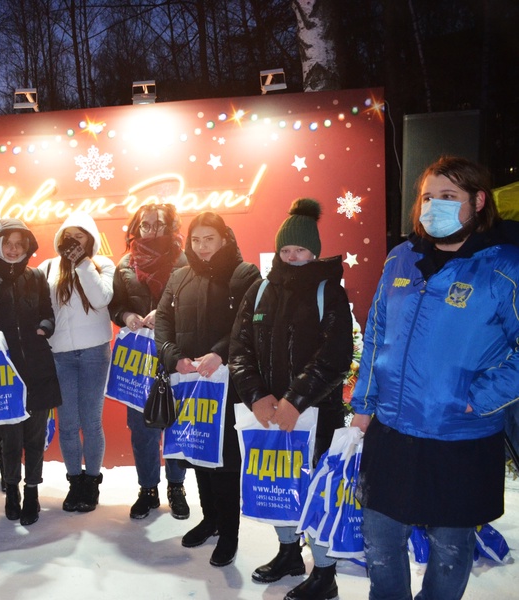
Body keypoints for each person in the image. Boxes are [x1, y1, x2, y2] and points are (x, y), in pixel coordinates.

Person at [350, 156, 519, 600]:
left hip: (459, 436)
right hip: (391, 432)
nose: (434, 206)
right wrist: (363, 407)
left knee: (450, 548)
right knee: (381, 542)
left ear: (478, 201)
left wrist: (477, 398)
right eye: (428, 197)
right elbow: (376, 337)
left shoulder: (504, 267)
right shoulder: (400, 259)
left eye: (449, 197)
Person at [229, 199, 352, 600]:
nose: (293, 257)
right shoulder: (260, 290)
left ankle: (325, 574)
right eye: (286, 250)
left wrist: (295, 400)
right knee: (277, 482)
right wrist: (257, 397)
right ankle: (288, 554)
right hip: (267, 414)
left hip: (316, 414)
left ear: (314, 251)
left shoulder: (329, 291)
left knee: (314, 488)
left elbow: (335, 358)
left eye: (300, 250)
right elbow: (239, 349)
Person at [155, 211, 261, 567]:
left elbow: (247, 324)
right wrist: (174, 357)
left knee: (226, 459)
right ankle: (210, 519)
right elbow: (164, 320)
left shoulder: (244, 274)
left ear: (225, 238)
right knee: (198, 450)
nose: (202, 247)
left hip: (228, 381)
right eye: (196, 240)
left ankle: (229, 532)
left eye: (209, 239)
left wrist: (219, 354)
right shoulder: (180, 276)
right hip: (189, 380)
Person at [0, 219, 61, 526]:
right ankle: (12, 490)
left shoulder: (35, 277)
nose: (13, 249)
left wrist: (44, 328)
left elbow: (48, 314)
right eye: (8, 243)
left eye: (20, 244)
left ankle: (32, 490)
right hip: (2, 371)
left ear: (27, 247)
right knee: (9, 439)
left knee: (35, 437)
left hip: (37, 369)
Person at [109, 203, 191, 521]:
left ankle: (176, 488)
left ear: (170, 226)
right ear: (136, 227)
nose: (152, 230)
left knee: (174, 422)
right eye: (146, 225)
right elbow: (116, 305)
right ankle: (148, 490)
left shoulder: (184, 261)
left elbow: (194, 303)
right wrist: (127, 315)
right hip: (139, 359)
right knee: (141, 426)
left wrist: (166, 312)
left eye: (159, 225)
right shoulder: (126, 263)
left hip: (174, 353)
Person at [41, 212, 115, 513]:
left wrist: (83, 263)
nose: (73, 241)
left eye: (80, 235)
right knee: (68, 424)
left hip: (95, 351)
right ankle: (75, 482)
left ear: (91, 238)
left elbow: (101, 299)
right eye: (68, 235)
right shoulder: (47, 267)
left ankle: (92, 482)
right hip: (60, 355)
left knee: (91, 421)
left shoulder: (103, 264)